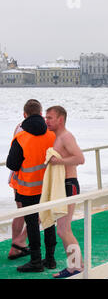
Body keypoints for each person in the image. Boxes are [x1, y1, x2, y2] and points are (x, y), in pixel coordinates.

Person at [6, 100, 57, 273]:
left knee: (32, 224)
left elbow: (12, 164)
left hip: (27, 188)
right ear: (41, 113)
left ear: (24, 115)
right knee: (49, 221)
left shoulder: (20, 137)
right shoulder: (52, 134)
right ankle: (50, 260)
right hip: (48, 186)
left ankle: (35, 261)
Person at [45, 106, 85, 278]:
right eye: (46, 117)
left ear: (60, 119)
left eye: (50, 118)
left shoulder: (66, 136)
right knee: (62, 229)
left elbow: (80, 158)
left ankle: (77, 267)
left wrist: (57, 161)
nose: (46, 121)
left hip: (69, 185)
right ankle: (73, 266)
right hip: (63, 185)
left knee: (64, 230)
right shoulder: (58, 137)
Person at [7, 100, 40, 261]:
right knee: (39, 213)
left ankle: (16, 245)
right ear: (40, 114)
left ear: (24, 114)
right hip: (33, 178)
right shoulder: (42, 129)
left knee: (21, 212)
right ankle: (19, 243)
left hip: (17, 176)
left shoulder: (19, 127)